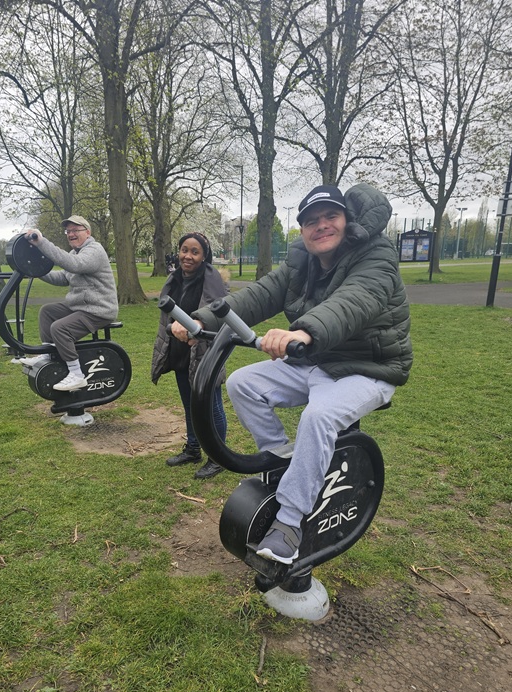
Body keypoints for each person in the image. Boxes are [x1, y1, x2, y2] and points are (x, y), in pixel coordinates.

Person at [173, 183, 412, 562]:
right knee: (243, 383)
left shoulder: (376, 254)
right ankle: (283, 465)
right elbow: (261, 294)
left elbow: (355, 301)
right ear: (302, 229)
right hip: (317, 358)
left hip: (370, 367)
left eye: (330, 216)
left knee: (319, 417)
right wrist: (200, 319)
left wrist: (304, 332)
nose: (322, 225)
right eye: (312, 221)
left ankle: (290, 520)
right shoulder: (302, 259)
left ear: (347, 220)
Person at [152, 232, 229, 480]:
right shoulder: (174, 279)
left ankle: (218, 457)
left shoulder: (211, 281)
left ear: (204, 256)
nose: (188, 256)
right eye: (184, 250)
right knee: (189, 405)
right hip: (180, 352)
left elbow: (219, 319)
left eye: (195, 252)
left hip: (205, 353)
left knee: (212, 407)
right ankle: (193, 449)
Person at [21, 216, 118, 392]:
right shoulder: (75, 253)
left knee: (60, 328)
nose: (71, 234)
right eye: (68, 231)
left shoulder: (94, 251)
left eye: (75, 230)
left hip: (99, 310)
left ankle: (76, 375)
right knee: (47, 311)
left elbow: (75, 265)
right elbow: (62, 277)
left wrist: (42, 243)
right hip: (80, 307)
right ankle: (48, 355)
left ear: (87, 232)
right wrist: (35, 271)